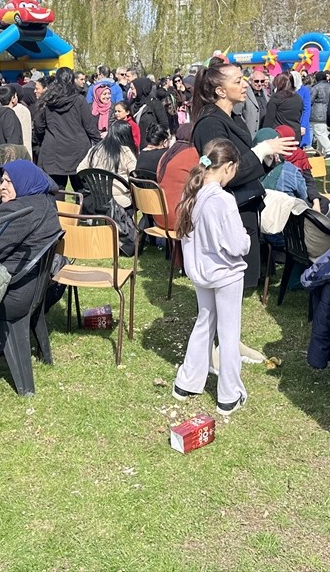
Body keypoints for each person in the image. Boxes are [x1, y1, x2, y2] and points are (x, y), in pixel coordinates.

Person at [190, 63, 295, 295]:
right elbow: (222, 173)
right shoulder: (211, 124)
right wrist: (261, 150)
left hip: (244, 204)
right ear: (220, 91)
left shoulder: (233, 118)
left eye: (243, 79)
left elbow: (243, 159)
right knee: (225, 287)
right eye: (237, 81)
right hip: (229, 208)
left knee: (237, 283)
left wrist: (266, 157)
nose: (245, 84)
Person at [172, 138, 250, 416]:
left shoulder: (190, 194)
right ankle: (228, 394)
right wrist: (247, 240)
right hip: (225, 273)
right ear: (228, 167)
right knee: (229, 334)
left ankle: (187, 382)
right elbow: (237, 244)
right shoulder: (222, 200)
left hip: (199, 272)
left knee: (204, 322)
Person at [0, 159, 63, 322]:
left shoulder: (20, 212)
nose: (1, 186)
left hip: (11, 294)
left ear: (24, 181)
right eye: (3, 181)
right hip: (29, 291)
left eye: (9, 181)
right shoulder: (45, 203)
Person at [34, 67, 101, 191]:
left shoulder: (48, 101)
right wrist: (99, 143)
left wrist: (40, 141)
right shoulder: (78, 100)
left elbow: (39, 126)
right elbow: (90, 126)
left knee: (56, 193)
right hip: (77, 150)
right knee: (83, 192)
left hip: (55, 150)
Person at [76, 119, 138, 210]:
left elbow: (80, 170)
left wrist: (91, 184)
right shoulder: (126, 152)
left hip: (97, 197)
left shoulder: (95, 150)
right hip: (121, 199)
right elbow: (135, 176)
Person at [129, 76, 170, 149]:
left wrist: (155, 140)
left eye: (133, 89)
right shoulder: (132, 105)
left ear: (140, 89)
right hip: (135, 145)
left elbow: (164, 124)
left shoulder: (154, 103)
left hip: (150, 146)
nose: (131, 91)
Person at [309, 72, 330, 158]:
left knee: (320, 133)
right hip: (328, 113)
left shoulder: (315, 88)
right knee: (323, 133)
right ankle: (319, 151)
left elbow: (310, 101)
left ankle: (328, 151)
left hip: (317, 113)